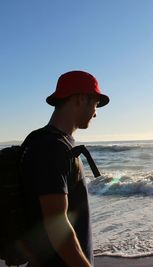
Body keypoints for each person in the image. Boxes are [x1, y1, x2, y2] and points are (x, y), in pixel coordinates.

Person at [20, 71, 109, 267]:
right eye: (94, 104)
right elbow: (56, 224)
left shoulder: (53, 144)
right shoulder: (51, 148)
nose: (95, 112)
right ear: (80, 99)